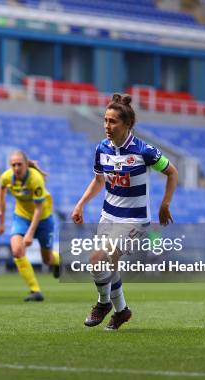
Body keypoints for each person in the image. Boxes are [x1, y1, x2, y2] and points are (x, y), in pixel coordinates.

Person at [72, 93, 178, 330]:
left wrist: (165, 204)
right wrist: (80, 204)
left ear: (127, 124)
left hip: (134, 220)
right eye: (105, 120)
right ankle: (122, 311)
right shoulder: (102, 149)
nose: (107, 126)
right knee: (108, 266)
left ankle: (103, 303)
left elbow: (172, 172)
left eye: (113, 121)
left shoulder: (144, 151)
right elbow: (99, 181)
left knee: (97, 259)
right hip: (108, 215)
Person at [0, 151, 60, 302]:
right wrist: (0, 215)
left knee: (47, 260)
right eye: (13, 165)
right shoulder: (6, 177)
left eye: (19, 164)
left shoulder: (35, 179)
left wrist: (30, 234)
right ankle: (35, 290)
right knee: (17, 250)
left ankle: (59, 261)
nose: (16, 168)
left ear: (26, 164)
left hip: (43, 219)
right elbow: (1, 192)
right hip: (21, 216)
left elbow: (38, 208)